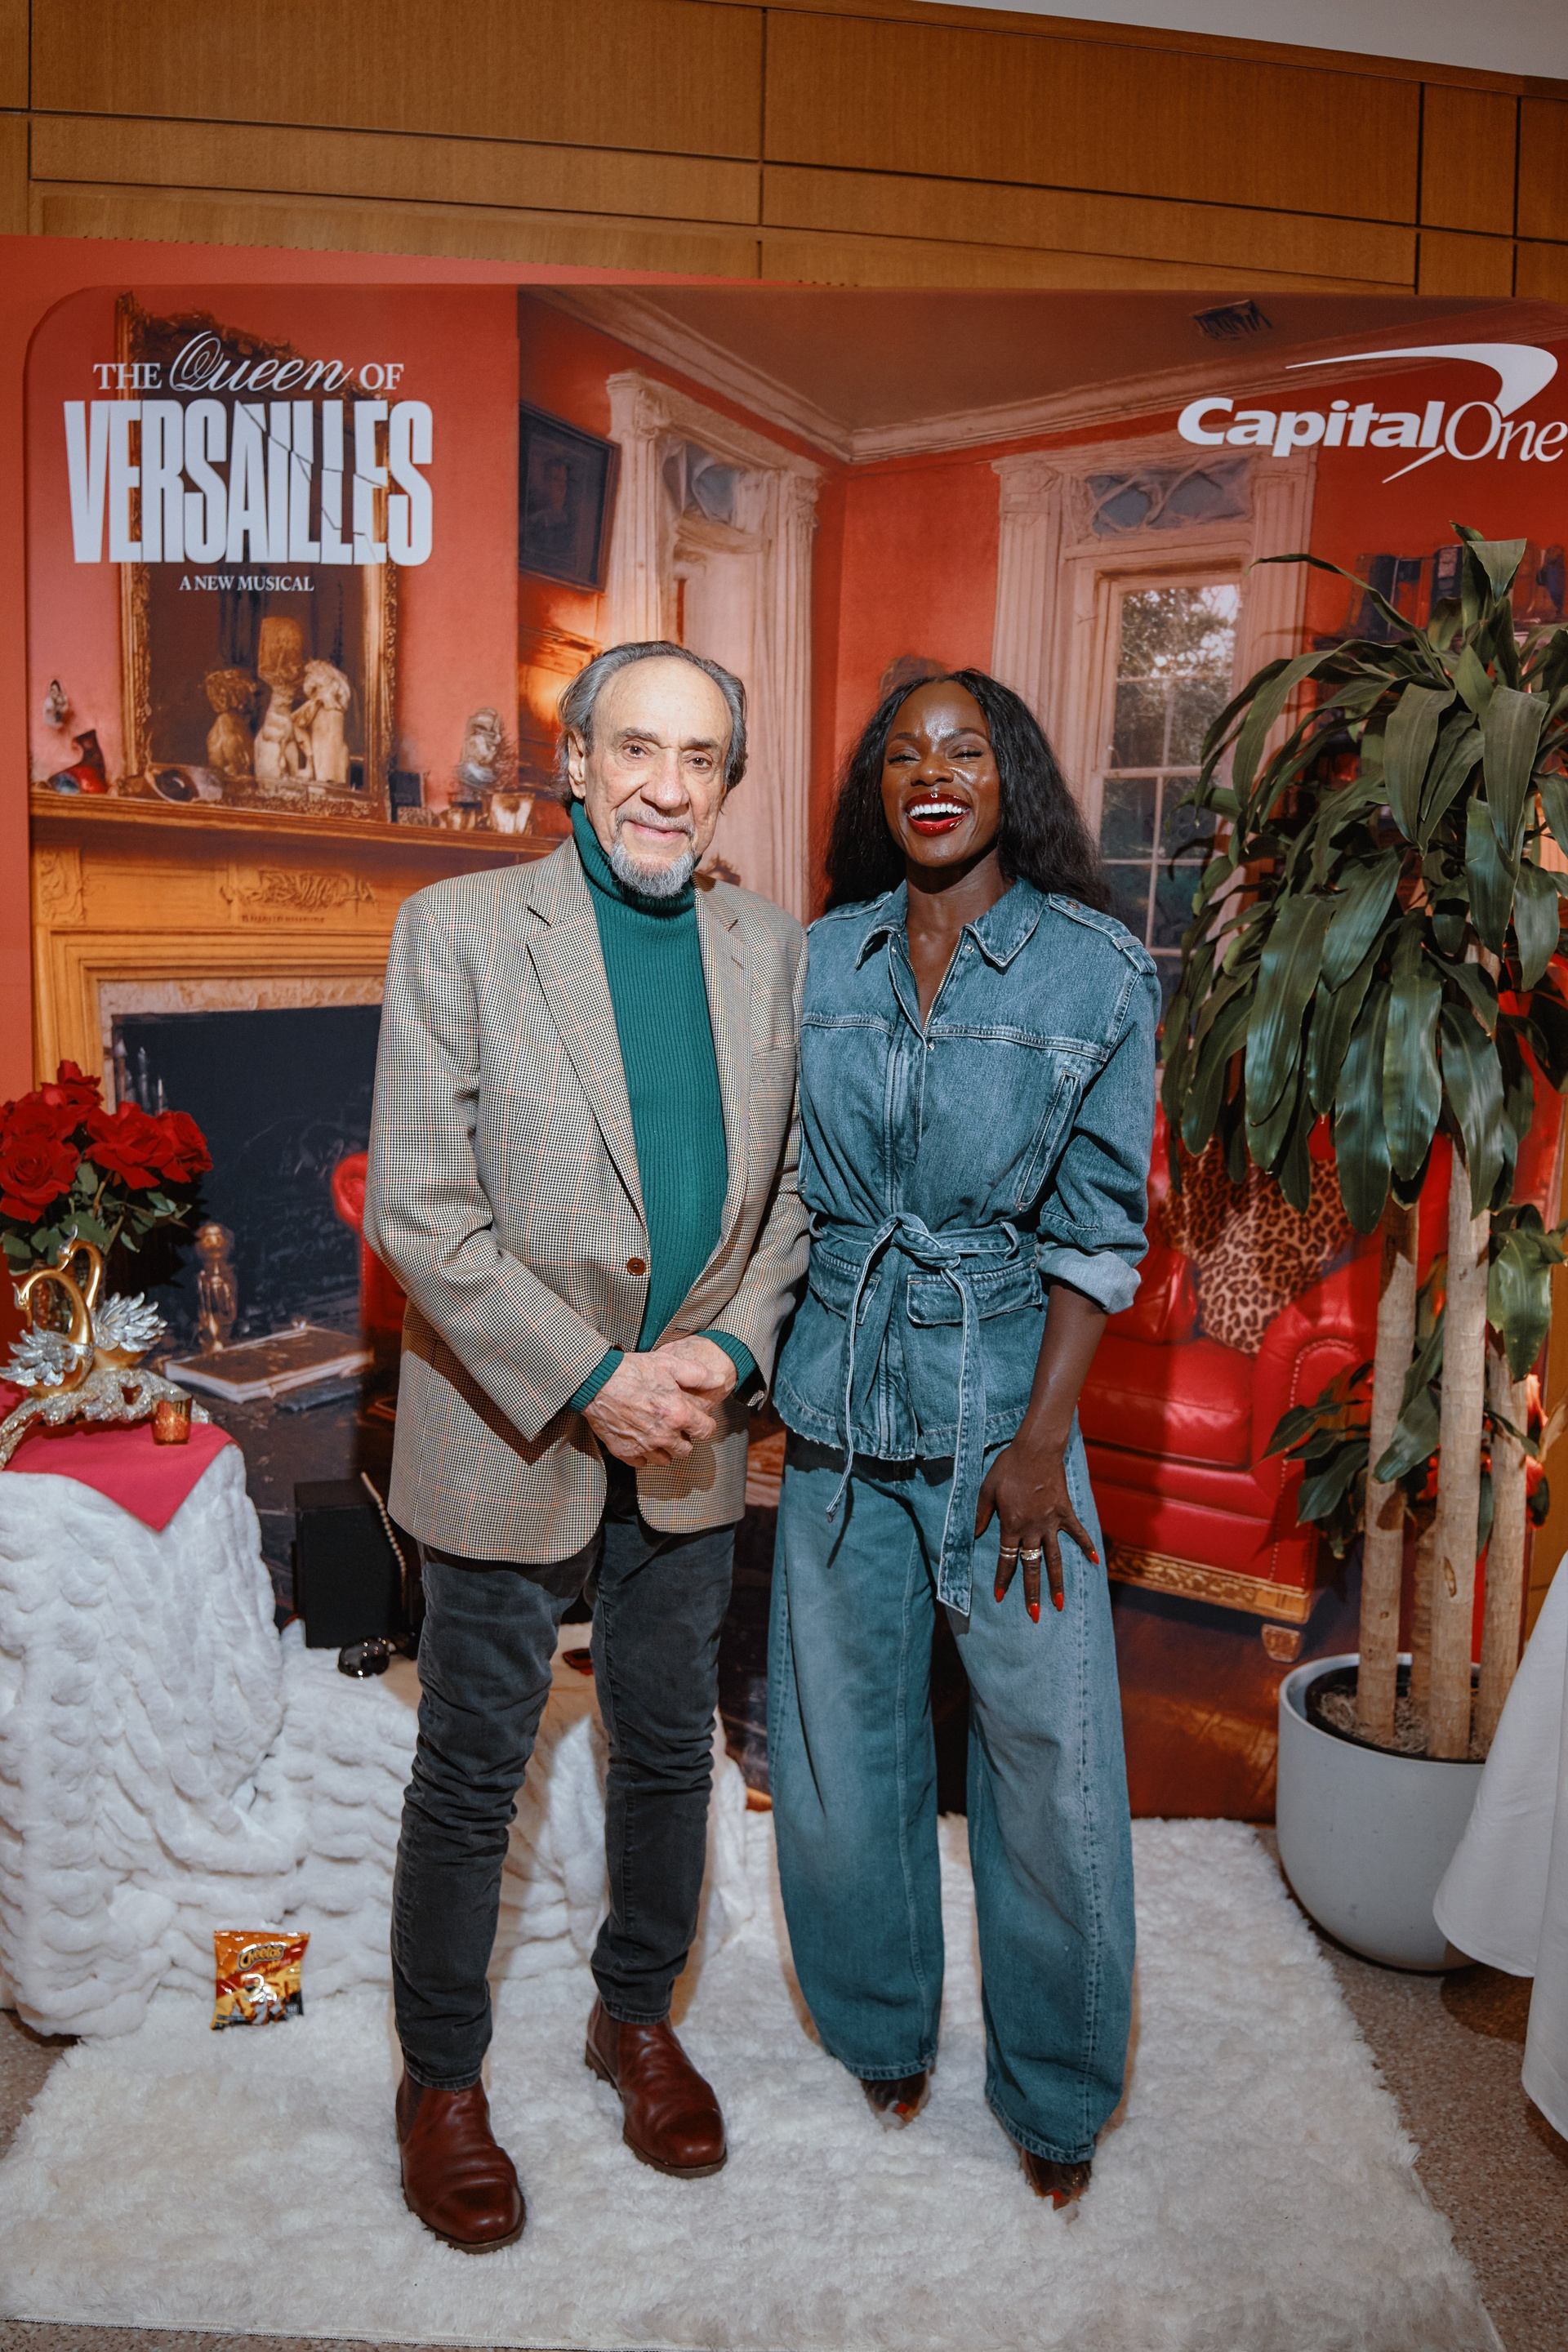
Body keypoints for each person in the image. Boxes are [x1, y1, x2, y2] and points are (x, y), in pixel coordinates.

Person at [365, 642, 806, 2252]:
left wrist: (728, 1353)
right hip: (506, 1422)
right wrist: (588, 1377)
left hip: (692, 1425)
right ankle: (439, 2080)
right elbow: (421, 1207)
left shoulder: (771, 949)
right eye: (636, 748)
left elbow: (795, 1194)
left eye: (700, 758)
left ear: (728, 784)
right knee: (474, 1763)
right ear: (575, 762)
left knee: (671, 1747)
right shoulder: (461, 929)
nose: (665, 788)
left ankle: (635, 2021)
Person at [768, 670, 1156, 2212]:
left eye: (967, 751)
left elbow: (1100, 1230)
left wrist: (1041, 1443)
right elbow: (777, 1187)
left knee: (1048, 1759)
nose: (934, 775)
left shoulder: (1096, 970)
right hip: (835, 1415)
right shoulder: (817, 960)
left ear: (1013, 779)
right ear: (879, 787)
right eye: (906, 754)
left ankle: (1056, 2088)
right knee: (841, 1749)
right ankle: (878, 2025)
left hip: (1006, 1423)